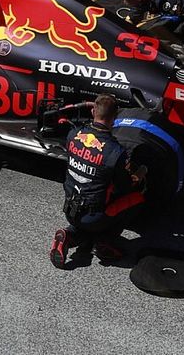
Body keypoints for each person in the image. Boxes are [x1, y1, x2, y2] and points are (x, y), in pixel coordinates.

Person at [50, 94, 147, 270]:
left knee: (87, 215)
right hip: (97, 215)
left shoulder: (73, 135)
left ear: (93, 111)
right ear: (115, 117)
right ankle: (106, 241)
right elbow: (125, 187)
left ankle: (68, 234)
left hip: (70, 208)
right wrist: (139, 174)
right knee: (137, 198)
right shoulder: (115, 151)